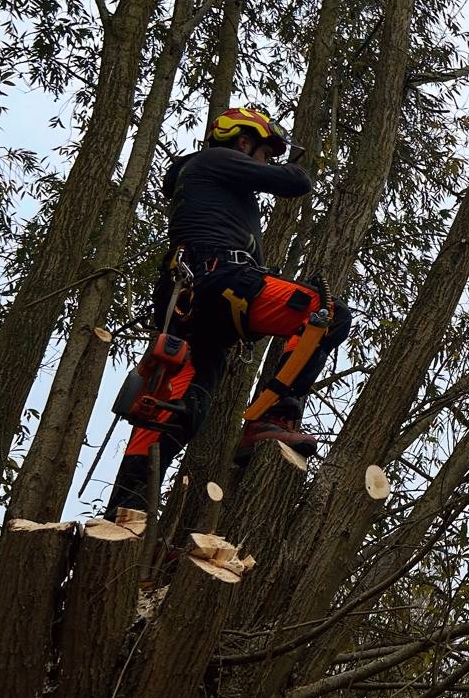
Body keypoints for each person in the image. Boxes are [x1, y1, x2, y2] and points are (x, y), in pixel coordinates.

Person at [105, 105, 353, 516]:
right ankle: (270, 417)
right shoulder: (215, 159)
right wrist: (290, 164)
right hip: (218, 278)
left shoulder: (204, 186)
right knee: (325, 312)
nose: (264, 162)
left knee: (177, 410)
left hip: (189, 302)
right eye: (263, 153)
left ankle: (124, 515)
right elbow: (295, 182)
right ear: (243, 142)